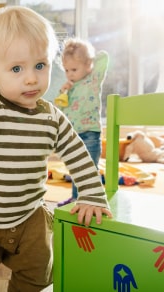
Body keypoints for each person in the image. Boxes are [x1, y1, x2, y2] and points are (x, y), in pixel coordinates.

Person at [0, 6, 113, 292]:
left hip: (28, 215)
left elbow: (78, 153)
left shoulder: (51, 116)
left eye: (40, 65)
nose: (31, 78)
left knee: (36, 275)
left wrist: (92, 193)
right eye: (17, 68)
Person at [56, 38, 109, 207]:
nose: (70, 74)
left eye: (74, 69)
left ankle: (93, 200)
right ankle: (75, 198)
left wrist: (85, 58)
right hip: (73, 135)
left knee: (90, 171)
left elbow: (104, 57)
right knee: (76, 170)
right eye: (66, 70)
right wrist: (63, 92)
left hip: (90, 133)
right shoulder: (69, 87)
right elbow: (61, 109)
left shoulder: (93, 78)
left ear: (88, 65)